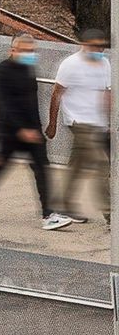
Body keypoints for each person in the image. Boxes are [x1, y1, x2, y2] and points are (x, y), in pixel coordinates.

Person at [0, 41, 66, 228]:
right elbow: (4, 104)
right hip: (9, 130)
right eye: (25, 50)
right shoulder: (2, 71)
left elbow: (32, 103)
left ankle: (48, 215)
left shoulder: (28, 70)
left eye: (32, 50)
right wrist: (21, 130)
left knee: (42, 168)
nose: (30, 54)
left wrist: (38, 129)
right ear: (13, 50)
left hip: (32, 131)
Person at [59, 33, 112, 224]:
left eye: (103, 47)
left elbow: (107, 93)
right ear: (85, 44)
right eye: (97, 46)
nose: (101, 50)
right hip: (78, 122)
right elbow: (57, 93)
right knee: (101, 164)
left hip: (97, 123)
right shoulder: (70, 64)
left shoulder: (105, 63)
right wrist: (52, 124)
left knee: (77, 166)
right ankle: (111, 215)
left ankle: (64, 205)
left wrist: (108, 123)